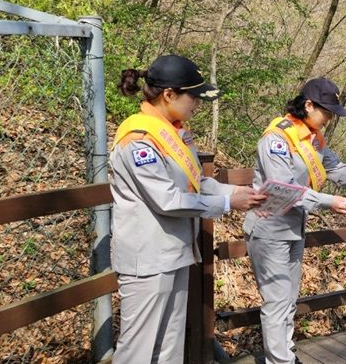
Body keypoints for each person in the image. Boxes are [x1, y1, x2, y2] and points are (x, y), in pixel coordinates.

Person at [110, 54, 266, 364]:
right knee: (138, 351)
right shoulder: (138, 139)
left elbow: (197, 184)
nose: (197, 103)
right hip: (148, 260)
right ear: (169, 95)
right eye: (193, 96)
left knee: (170, 346)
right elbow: (167, 200)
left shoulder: (175, 133)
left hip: (175, 253)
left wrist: (237, 191)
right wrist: (226, 202)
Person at [244, 77, 346, 364]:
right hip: (269, 228)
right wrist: (330, 202)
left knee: (288, 300)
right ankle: (280, 361)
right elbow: (282, 187)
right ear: (308, 105)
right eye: (326, 112)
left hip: (293, 228)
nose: (329, 119)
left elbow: (336, 169)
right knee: (276, 301)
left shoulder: (312, 138)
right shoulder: (277, 139)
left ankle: (285, 353)